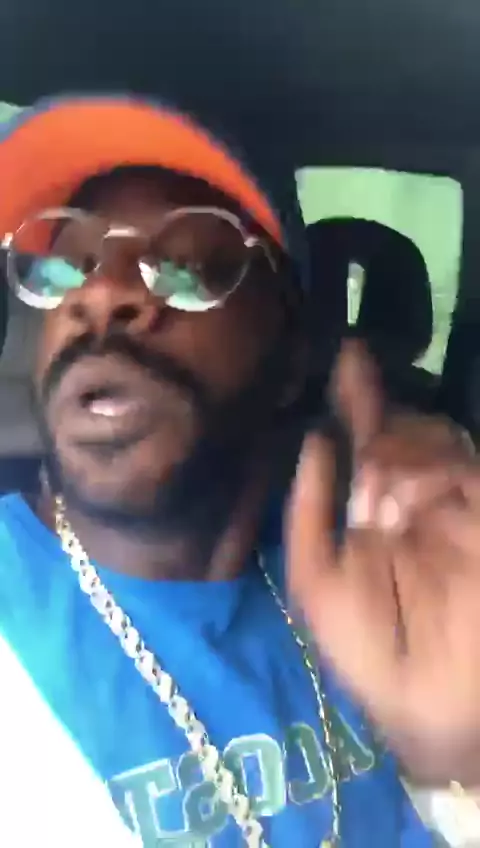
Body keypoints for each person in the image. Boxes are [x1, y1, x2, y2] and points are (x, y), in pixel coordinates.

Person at [0, 95, 473, 848]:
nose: (101, 294)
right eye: (67, 265)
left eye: (186, 268)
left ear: (290, 355)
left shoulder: (391, 582)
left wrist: (464, 768)